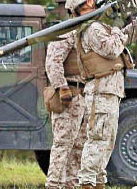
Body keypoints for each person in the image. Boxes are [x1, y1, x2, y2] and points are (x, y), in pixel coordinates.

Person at [63, 0, 137, 189]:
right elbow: (112, 49)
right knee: (98, 141)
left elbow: (122, 39)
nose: (95, 2)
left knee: (106, 141)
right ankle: (87, 182)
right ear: (84, 4)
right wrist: (119, 24)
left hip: (108, 92)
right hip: (102, 92)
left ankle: (97, 183)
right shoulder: (92, 29)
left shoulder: (96, 27)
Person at [45, 27, 87, 188]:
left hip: (84, 95)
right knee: (62, 144)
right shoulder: (66, 33)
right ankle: (54, 184)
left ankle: (71, 184)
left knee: (79, 146)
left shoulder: (89, 34)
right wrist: (61, 87)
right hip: (69, 94)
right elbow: (53, 61)